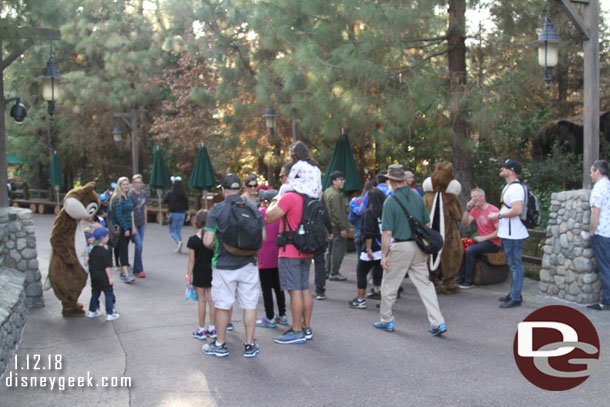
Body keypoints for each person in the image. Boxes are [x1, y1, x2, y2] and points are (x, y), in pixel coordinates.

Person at [373, 164, 446, 336]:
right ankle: (438, 322)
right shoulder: (416, 196)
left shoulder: (390, 201)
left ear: (391, 180)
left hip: (400, 246)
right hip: (418, 246)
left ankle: (387, 320)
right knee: (425, 285)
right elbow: (427, 224)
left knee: (390, 284)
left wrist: (384, 254)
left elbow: (387, 232)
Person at [202, 174, 264, 358]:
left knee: (222, 305)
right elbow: (264, 238)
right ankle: (250, 344)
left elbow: (207, 241)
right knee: (250, 305)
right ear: (239, 189)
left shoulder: (216, 210)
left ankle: (220, 344)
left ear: (223, 190)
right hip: (249, 264)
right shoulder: (253, 209)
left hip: (224, 264)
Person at [266, 168, 316, 344]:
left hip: (290, 251)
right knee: (304, 289)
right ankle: (306, 327)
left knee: (294, 291)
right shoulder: (310, 198)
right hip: (307, 249)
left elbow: (269, 217)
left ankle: (296, 330)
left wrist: (275, 199)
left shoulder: (289, 197)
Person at [488, 159, 529, 309]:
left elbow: (517, 210)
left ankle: (516, 297)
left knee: (515, 265)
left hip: (514, 234)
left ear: (511, 171)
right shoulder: (509, 187)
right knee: (512, 264)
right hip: (508, 232)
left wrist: (498, 216)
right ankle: (513, 293)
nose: (501, 169)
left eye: (504, 168)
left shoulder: (516, 188)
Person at [256, 189, 288, 327]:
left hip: (264, 256)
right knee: (279, 287)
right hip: (278, 254)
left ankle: (269, 317)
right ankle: (282, 314)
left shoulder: (260, 213)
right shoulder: (281, 214)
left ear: (265, 201)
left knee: (266, 289)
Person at [456, 188, 501, 289]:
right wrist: (467, 210)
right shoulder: (475, 210)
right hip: (482, 241)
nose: (473, 199)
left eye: (475, 197)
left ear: (482, 197)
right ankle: (461, 277)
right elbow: (464, 224)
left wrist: (484, 238)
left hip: (493, 242)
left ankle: (469, 281)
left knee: (470, 251)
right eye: (472, 197)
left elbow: (499, 232)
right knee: (462, 248)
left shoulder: (493, 210)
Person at [350, 188, 386, 309]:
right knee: (381, 273)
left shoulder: (369, 213)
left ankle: (361, 300)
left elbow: (369, 232)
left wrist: (368, 248)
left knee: (361, 272)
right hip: (384, 247)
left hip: (372, 248)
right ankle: (383, 299)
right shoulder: (385, 211)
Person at [188, 210, 217, 339]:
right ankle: (212, 328)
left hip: (199, 271)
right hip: (212, 270)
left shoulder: (193, 239)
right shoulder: (213, 237)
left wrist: (189, 276)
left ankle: (201, 329)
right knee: (212, 300)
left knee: (201, 300)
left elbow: (191, 260)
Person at [588, 160, 610, 311]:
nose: (590, 174)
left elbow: (596, 212)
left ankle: (607, 301)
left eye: (591, 171)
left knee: (605, 268)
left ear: (597, 171)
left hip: (602, 232)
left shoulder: (598, 188)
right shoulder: (609, 185)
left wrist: (591, 231)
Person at [87, 227, 120, 321]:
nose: (108, 237)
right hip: (103, 276)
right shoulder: (104, 252)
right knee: (108, 293)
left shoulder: (93, 250)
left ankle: (92, 311)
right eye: (107, 236)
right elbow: (107, 267)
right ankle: (110, 313)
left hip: (94, 276)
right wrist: (110, 278)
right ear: (103, 238)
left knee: (95, 293)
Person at [323, 171, 350, 281]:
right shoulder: (335, 194)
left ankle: (327, 271)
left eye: (343, 179)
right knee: (338, 250)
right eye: (340, 179)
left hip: (329, 226)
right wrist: (343, 227)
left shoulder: (327, 192)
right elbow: (337, 213)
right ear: (334, 181)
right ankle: (334, 272)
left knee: (330, 250)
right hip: (336, 227)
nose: (342, 181)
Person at [111, 177, 136, 283]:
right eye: (123, 184)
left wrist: (132, 227)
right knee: (123, 250)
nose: (126, 186)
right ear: (119, 186)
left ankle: (122, 270)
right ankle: (125, 273)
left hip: (129, 226)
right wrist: (125, 228)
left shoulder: (127, 197)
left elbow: (131, 213)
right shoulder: (117, 198)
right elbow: (118, 215)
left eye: (127, 184)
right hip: (121, 228)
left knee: (124, 248)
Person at [163, 176, 190, 253]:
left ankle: (178, 242)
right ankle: (179, 247)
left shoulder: (170, 193)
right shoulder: (184, 194)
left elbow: (164, 201)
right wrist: (188, 215)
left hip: (174, 213)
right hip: (182, 214)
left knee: (172, 231)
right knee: (178, 230)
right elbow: (187, 206)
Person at [130, 174, 149, 278]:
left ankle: (136, 267)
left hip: (141, 222)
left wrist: (145, 221)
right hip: (134, 222)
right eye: (136, 182)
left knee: (140, 247)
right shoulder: (131, 195)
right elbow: (131, 211)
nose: (138, 184)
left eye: (139, 182)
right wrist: (132, 226)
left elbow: (145, 207)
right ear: (133, 183)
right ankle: (139, 269)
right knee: (139, 245)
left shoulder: (144, 193)